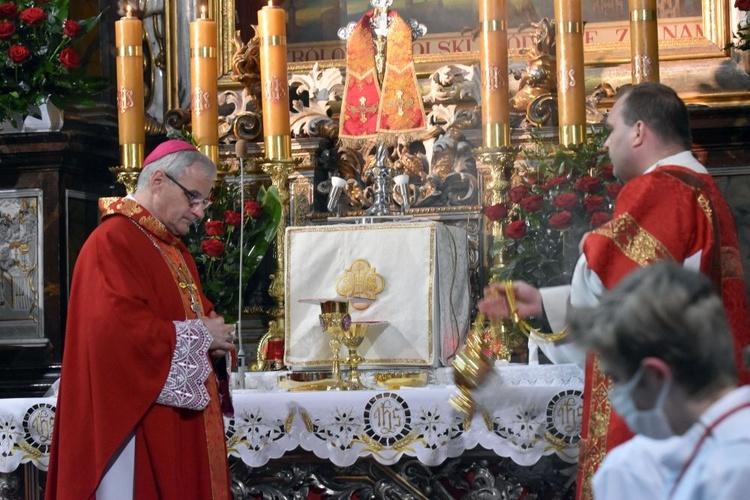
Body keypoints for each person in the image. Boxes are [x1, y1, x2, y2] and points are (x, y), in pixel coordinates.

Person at [477, 82, 750, 499]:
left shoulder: (660, 189)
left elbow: (613, 283)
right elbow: (645, 292)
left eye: (611, 130)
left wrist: (589, 254)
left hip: (666, 412)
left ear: (639, 132)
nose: (606, 144)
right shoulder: (702, 188)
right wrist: (546, 302)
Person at [46, 140, 237, 499]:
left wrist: (215, 335)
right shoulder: (113, 241)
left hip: (176, 425)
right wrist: (199, 336)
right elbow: (116, 337)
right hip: (135, 428)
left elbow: (193, 315)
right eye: (193, 197)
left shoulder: (172, 248)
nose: (199, 212)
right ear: (159, 180)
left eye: (204, 201)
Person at [568, 262, 750, 499]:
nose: (617, 397)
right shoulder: (715, 449)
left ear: (655, 375)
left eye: (618, 379)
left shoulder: (726, 474)